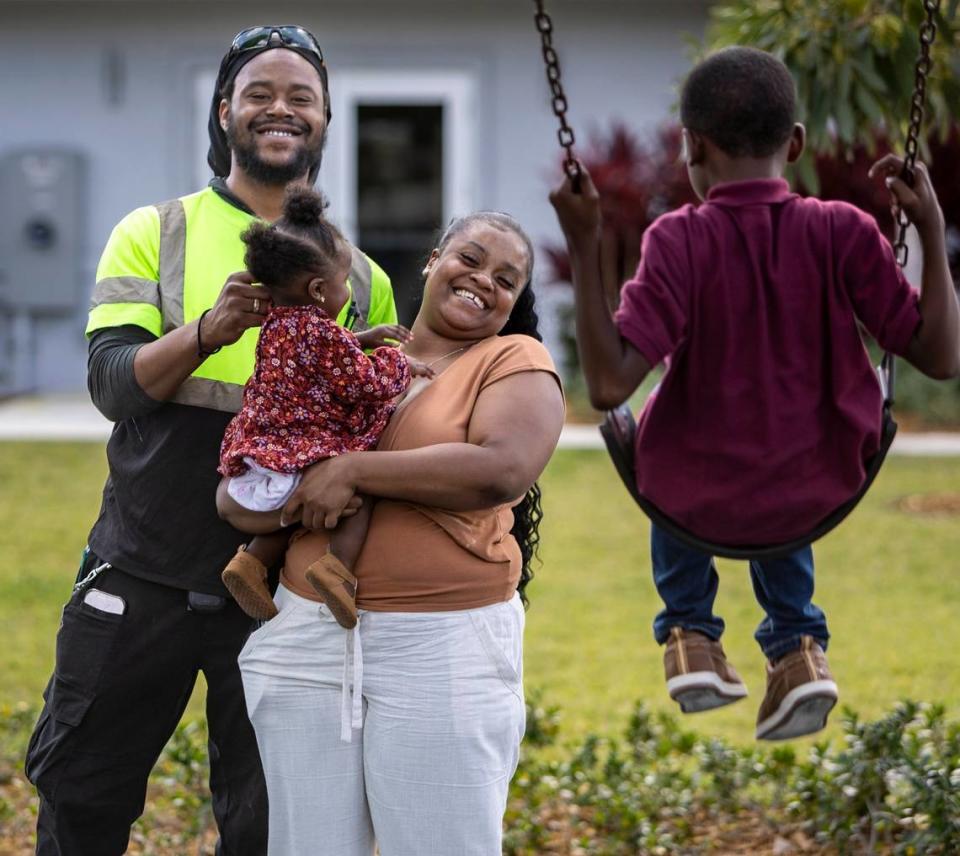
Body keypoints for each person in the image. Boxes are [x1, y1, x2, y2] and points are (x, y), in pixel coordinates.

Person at [25, 25, 400, 854]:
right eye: (260, 92)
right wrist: (206, 330)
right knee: (82, 804)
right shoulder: (154, 231)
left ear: (326, 119)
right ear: (225, 109)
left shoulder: (361, 276)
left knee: (273, 827)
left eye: (302, 96)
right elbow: (112, 385)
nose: (281, 109)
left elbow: (376, 429)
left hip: (279, 594)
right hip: (139, 574)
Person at [550, 46, 959, 741]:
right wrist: (929, 228)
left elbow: (611, 384)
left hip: (696, 492)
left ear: (691, 147)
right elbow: (942, 357)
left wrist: (585, 247)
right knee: (780, 464)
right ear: (795, 143)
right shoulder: (844, 232)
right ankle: (798, 649)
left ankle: (690, 634)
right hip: (818, 481)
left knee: (661, 436)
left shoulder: (678, 240)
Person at [221, 211, 565, 855]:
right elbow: (246, 489)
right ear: (434, 261)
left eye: (506, 279)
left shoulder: (512, 358)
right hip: (307, 642)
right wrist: (284, 493)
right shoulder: (350, 356)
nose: (483, 280)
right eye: (470, 258)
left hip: (440, 650)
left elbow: (500, 469)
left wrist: (352, 471)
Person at [218, 185, 433, 627]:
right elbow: (365, 385)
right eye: (345, 283)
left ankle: (251, 562)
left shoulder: (277, 324)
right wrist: (400, 364)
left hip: (265, 449)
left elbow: (313, 359)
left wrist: (360, 339)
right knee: (362, 484)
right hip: (305, 448)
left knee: (297, 509)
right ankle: (337, 568)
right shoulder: (325, 335)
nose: (350, 293)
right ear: (318, 289)